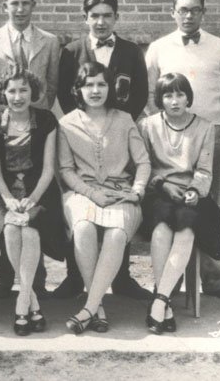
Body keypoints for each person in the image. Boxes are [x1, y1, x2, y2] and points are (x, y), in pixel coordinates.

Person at [145, 0, 220, 302]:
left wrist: (207, 125)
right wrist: (169, 127)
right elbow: (150, 95)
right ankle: (168, 281)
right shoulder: (158, 48)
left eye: (195, 9)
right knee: (170, 208)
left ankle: (215, 279)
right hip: (169, 138)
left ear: (203, 12)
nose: (188, 15)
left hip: (210, 135)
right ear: (173, 12)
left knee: (205, 204)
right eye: (183, 9)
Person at [55, 0, 150, 301]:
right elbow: (65, 94)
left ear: (116, 18)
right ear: (86, 18)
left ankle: (120, 279)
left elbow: (139, 94)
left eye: (107, 15)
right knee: (80, 213)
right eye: (94, 15)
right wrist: (85, 124)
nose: (100, 21)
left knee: (117, 217)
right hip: (81, 133)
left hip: (117, 135)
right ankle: (76, 278)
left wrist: (116, 127)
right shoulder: (70, 51)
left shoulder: (131, 51)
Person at [0, 0, 62, 299]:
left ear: (34, 5)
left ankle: (33, 278)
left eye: (26, 3)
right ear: (5, 6)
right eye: (14, 3)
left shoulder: (50, 42)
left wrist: (35, 117)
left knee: (34, 203)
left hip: (37, 132)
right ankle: (6, 272)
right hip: (0, 131)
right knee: (3, 199)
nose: (20, 9)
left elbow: (50, 87)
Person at [58, 62, 150, 334]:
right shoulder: (66, 123)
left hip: (120, 192)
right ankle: (96, 307)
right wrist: (91, 193)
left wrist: (138, 190)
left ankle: (88, 308)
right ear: (78, 89)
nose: (95, 90)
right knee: (83, 227)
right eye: (89, 85)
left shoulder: (123, 119)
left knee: (117, 234)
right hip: (82, 192)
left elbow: (143, 162)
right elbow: (65, 170)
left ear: (110, 88)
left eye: (101, 84)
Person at [139, 73, 220, 334]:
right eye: (168, 95)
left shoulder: (205, 127)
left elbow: (204, 170)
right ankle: (164, 301)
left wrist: (194, 190)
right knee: (162, 225)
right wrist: (161, 184)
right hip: (158, 191)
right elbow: (142, 166)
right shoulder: (147, 126)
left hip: (191, 193)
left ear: (188, 97)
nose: (175, 101)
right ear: (160, 99)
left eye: (180, 94)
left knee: (187, 225)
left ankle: (160, 301)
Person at [0, 67, 64, 336]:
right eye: (12, 91)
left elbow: (49, 170)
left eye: (24, 90)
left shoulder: (47, 120)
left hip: (39, 193)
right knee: (9, 227)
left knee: (29, 229)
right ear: (3, 94)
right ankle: (32, 302)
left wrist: (31, 199)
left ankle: (21, 302)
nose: (18, 96)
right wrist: (8, 200)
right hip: (3, 195)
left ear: (33, 92)